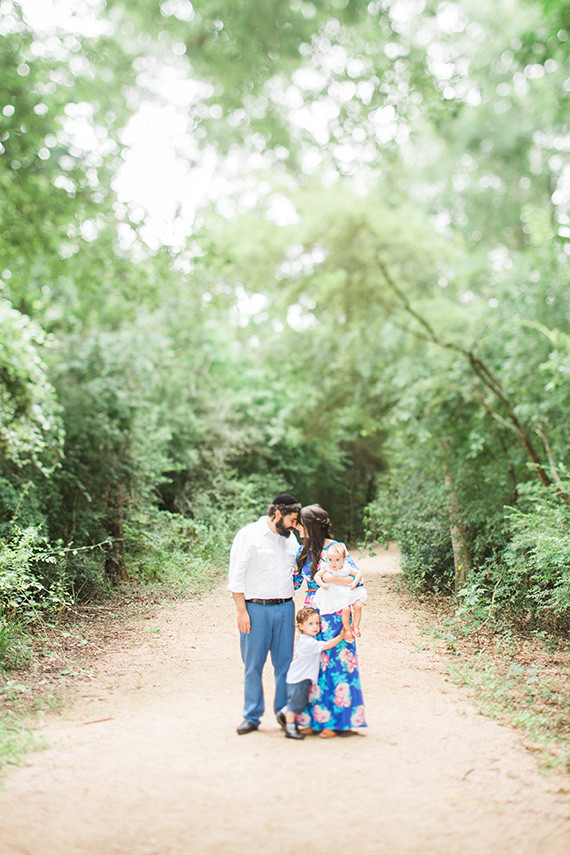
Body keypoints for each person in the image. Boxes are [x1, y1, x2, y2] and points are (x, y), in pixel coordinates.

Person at [228, 492, 302, 735]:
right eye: (291, 519)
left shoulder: (290, 539)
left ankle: (284, 712)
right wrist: (242, 612)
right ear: (277, 513)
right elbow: (236, 576)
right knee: (253, 664)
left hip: (285, 607)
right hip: (256, 609)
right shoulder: (249, 535)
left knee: (285, 665)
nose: (294, 525)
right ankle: (252, 715)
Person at [293, 504, 366, 737]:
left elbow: (356, 580)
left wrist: (331, 579)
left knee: (335, 663)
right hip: (311, 613)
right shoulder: (301, 551)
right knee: (311, 662)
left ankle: (336, 721)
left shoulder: (336, 549)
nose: (297, 528)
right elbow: (292, 582)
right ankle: (312, 719)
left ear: (310, 527)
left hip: (335, 611)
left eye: (300, 524)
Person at [279, 607, 345, 740]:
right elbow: (327, 645)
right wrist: (341, 636)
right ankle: (290, 726)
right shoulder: (307, 643)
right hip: (299, 678)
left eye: (317, 623)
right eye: (310, 624)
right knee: (296, 704)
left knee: (299, 701)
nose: (315, 627)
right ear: (300, 626)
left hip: (301, 678)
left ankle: (283, 713)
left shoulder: (309, 638)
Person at [313, 542, 368, 642]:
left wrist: (355, 582)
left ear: (343, 559)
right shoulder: (327, 567)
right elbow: (316, 576)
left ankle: (356, 626)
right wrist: (322, 584)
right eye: (330, 560)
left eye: (337, 560)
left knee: (358, 606)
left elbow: (358, 573)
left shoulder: (346, 567)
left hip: (347, 590)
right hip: (336, 593)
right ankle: (347, 630)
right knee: (346, 610)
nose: (333, 563)